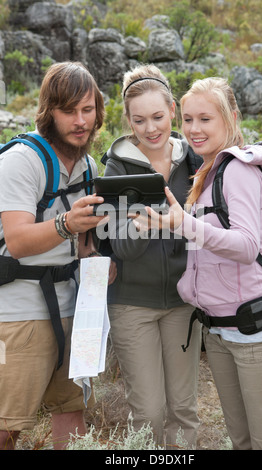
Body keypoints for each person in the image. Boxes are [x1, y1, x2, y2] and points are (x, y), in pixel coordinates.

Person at [138, 77, 262, 450]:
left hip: (258, 334)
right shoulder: (208, 173)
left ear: (231, 118)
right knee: (241, 442)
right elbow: (209, 246)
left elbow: (246, 247)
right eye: (189, 119)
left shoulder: (238, 171)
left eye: (206, 119)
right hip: (223, 332)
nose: (194, 129)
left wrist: (184, 224)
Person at [0, 61, 116, 450]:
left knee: (72, 412)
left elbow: (84, 248)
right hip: (18, 315)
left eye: (88, 109)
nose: (81, 121)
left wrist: (100, 268)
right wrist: (67, 223)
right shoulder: (20, 161)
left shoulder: (88, 166)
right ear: (49, 111)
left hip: (76, 311)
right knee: (6, 424)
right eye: (69, 111)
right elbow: (16, 240)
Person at [101, 64, 202, 449]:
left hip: (183, 302)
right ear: (128, 120)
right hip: (132, 305)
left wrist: (165, 220)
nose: (150, 128)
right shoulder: (116, 167)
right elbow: (122, 246)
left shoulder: (196, 161)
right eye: (139, 120)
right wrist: (156, 217)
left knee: (183, 409)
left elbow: (209, 231)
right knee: (148, 412)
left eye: (158, 117)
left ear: (173, 110)